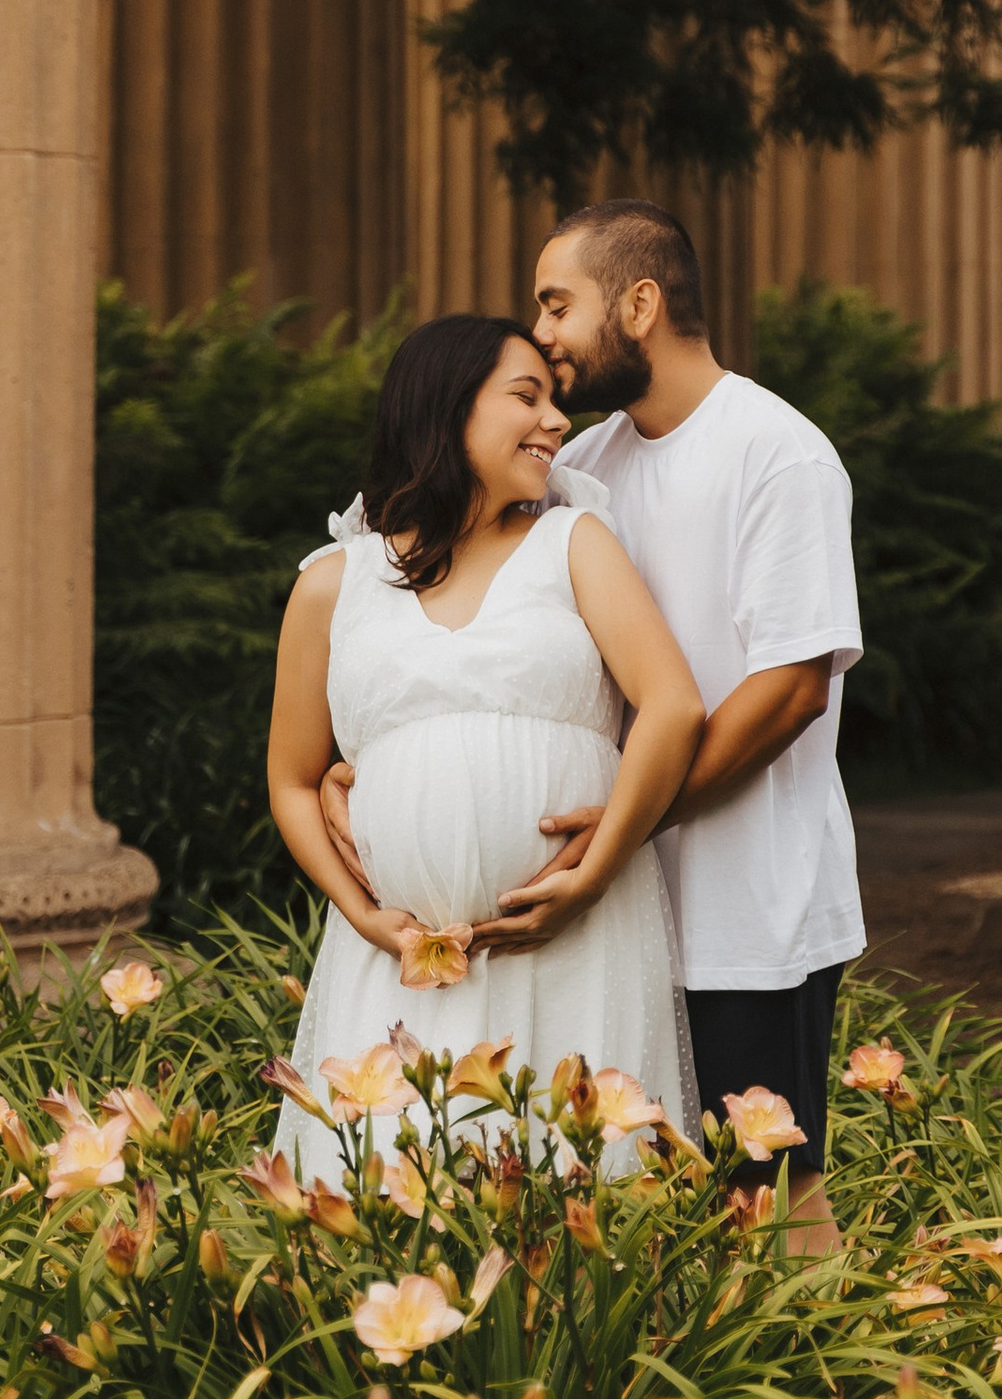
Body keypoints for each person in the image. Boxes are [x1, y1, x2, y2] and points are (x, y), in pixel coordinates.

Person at [266, 314, 702, 1181]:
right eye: (526, 397)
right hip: (395, 965)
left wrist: (595, 870)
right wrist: (364, 918)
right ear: (446, 407)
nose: (556, 422)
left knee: (579, 1200)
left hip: (575, 941)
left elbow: (673, 707)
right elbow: (291, 777)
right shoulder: (331, 585)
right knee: (393, 1201)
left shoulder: (573, 544)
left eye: (555, 400)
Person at [533, 202, 864, 1254]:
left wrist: (634, 814)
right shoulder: (588, 464)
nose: (541, 333)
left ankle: (825, 1393)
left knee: (765, 1184)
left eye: (556, 304)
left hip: (747, 906)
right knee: (643, 1185)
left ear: (639, 302)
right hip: (619, 900)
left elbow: (790, 688)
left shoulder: (779, 455)